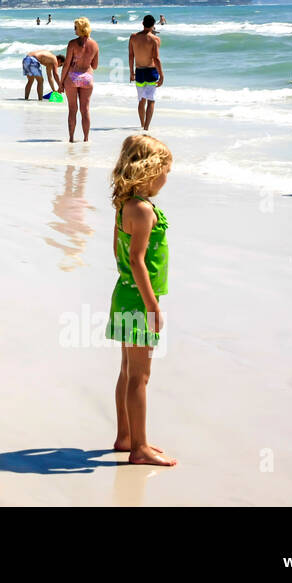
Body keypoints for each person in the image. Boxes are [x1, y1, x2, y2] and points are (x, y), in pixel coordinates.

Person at [107, 133, 176, 467]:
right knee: (140, 377)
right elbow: (137, 259)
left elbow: (119, 254)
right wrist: (152, 305)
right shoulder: (144, 211)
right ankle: (140, 447)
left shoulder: (125, 205)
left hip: (124, 293)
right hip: (139, 302)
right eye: (165, 170)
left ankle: (125, 436)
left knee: (126, 370)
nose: (166, 177)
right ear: (149, 170)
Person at [60, 17, 99, 142]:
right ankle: (86, 139)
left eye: (75, 27)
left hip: (72, 77)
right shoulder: (94, 44)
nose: (74, 30)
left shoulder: (72, 43)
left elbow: (66, 65)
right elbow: (95, 66)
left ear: (81, 29)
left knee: (72, 109)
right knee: (85, 109)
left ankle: (71, 138)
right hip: (87, 77)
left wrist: (61, 83)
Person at [128, 14, 164, 130]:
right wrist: (162, 75)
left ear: (143, 24)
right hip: (151, 72)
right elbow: (156, 59)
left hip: (139, 71)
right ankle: (146, 128)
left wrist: (131, 73)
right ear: (153, 25)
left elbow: (131, 56)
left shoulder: (133, 37)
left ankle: (142, 124)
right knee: (151, 100)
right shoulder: (155, 39)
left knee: (141, 100)